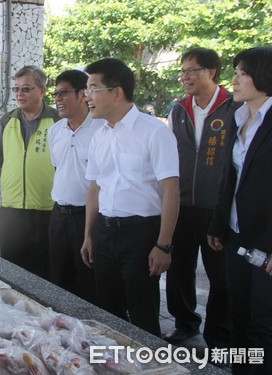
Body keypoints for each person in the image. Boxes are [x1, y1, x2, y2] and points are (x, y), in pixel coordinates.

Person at [80, 58, 180, 336]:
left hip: (141, 233)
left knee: (143, 312)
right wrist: (89, 234)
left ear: (117, 92)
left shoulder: (154, 132)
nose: (86, 96)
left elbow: (170, 190)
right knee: (108, 312)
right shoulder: (99, 135)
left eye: (93, 88)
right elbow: (94, 187)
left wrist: (164, 245)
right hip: (105, 231)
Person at [164, 48, 237, 348]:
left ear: (212, 72)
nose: (185, 76)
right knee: (179, 268)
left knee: (220, 276)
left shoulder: (234, 106)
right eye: (182, 71)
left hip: (216, 206)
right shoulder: (179, 109)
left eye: (192, 70)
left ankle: (218, 334)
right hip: (182, 203)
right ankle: (184, 324)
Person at [208, 47, 272, 375]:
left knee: (265, 325)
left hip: (266, 243)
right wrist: (218, 224)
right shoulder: (237, 116)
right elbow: (228, 177)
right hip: (236, 237)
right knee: (238, 317)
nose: (234, 79)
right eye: (235, 71)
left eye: (243, 73)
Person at [0, 65, 59, 279]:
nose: (19, 94)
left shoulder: (57, 121)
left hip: (48, 210)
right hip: (12, 209)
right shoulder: (7, 121)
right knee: (12, 269)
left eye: (26, 89)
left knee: (46, 270)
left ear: (42, 91)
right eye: (16, 89)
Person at [47, 69, 102, 303]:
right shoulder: (55, 131)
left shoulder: (100, 130)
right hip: (59, 214)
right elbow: (58, 168)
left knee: (90, 282)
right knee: (59, 280)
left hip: (88, 216)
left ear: (83, 94)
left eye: (64, 93)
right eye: (56, 94)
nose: (58, 99)